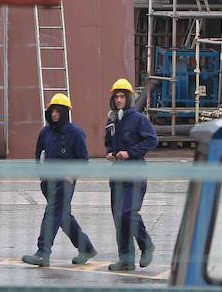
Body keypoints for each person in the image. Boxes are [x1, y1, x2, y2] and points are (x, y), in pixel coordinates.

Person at [21, 93, 97, 267]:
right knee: (62, 217)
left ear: (65, 112)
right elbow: (39, 154)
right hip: (48, 182)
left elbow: (83, 160)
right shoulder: (45, 132)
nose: (54, 114)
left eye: (58, 111)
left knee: (51, 214)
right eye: (52, 111)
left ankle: (43, 252)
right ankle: (86, 248)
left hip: (65, 183)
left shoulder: (76, 133)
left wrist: (71, 175)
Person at [104, 77, 158, 271]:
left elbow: (152, 140)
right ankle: (126, 260)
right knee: (119, 217)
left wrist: (130, 152)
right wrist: (110, 153)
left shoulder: (139, 119)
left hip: (135, 173)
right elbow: (108, 141)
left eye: (122, 96)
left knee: (128, 212)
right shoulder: (112, 119)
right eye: (116, 97)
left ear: (128, 98)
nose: (119, 100)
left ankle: (146, 244)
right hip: (117, 175)